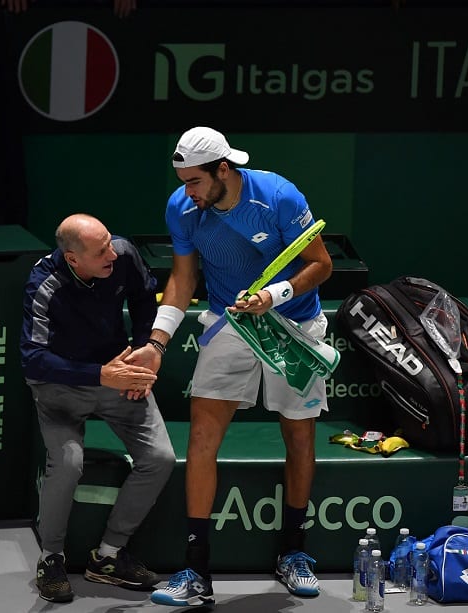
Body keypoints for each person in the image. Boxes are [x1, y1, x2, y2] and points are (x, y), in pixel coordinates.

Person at [135, 127, 334, 607]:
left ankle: (293, 553)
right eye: (183, 182)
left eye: (195, 182)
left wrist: (274, 295)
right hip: (229, 322)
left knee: (300, 435)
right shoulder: (183, 209)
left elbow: (320, 263)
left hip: (294, 326)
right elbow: (182, 278)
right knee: (202, 438)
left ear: (223, 170)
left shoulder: (279, 196)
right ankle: (196, 569)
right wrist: (158, 341)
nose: (188, 193)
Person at [20, 214, 176, 603]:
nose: (113, 251)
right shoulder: (44, 285)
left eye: (109, 241)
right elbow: (32, 358)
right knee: (69, 462)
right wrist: (99, 375)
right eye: (101, 249)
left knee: (160, 457)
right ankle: (51, 558)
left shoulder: (123, 253)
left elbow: (144, 299)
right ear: (73, 259)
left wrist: (144, 351)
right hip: (62, 386)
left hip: (120, 373)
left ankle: (108, 555)